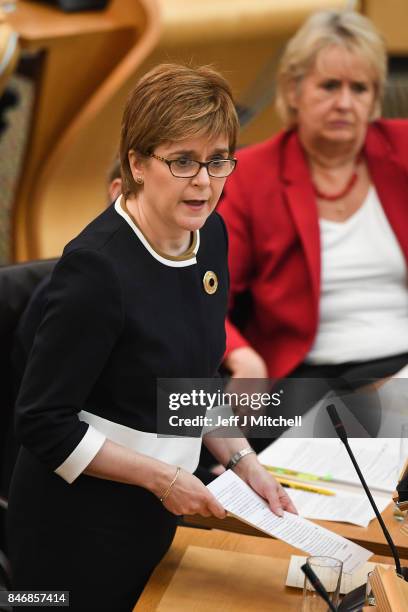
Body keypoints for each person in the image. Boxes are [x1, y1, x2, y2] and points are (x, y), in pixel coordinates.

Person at [7, 63, 296, 612]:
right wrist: (164, 479)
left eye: (217, 161)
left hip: (155, 512)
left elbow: (192, 379)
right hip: (72, 538)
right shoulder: (96, 271)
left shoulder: (208, 234)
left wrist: (243, 461)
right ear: (136, 163)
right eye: (182, 161)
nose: (204, 182)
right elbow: (43, 422)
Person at [219, 10, 408, 428]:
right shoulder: (251, 174)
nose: (345, 102)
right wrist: (239, 354)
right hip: (311, 380)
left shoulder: (404, 150)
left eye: (359, 88)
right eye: (329, 86)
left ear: (375, 98)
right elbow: (204, 293)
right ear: (293, 90)